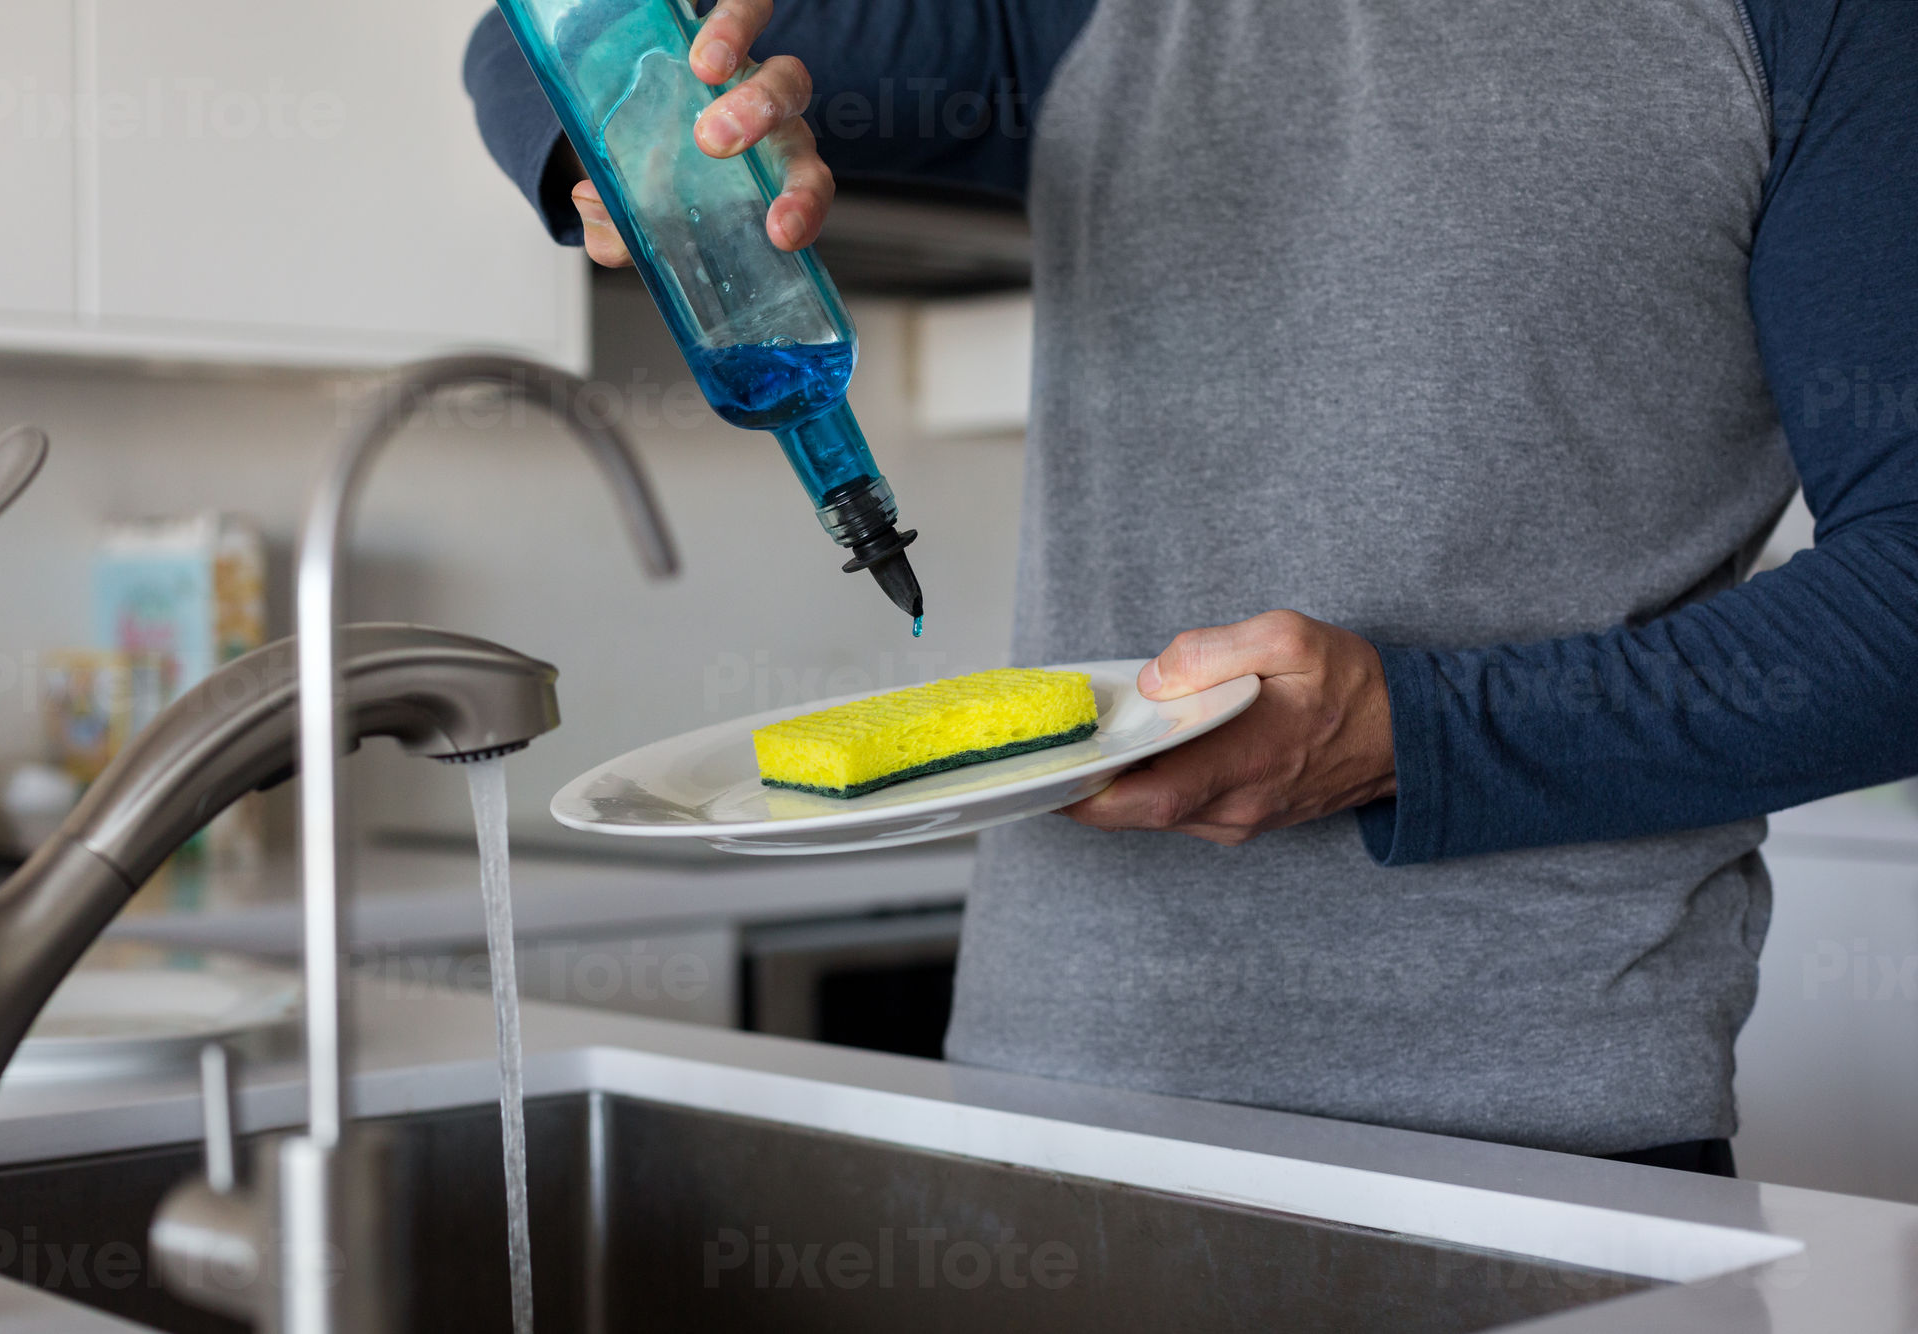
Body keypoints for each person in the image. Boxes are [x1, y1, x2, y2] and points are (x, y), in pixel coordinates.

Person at [463, 0, 1918, 1176]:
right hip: (1058, 1116)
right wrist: (639, 143)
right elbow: (552, 26)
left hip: (1555, 1152)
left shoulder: (1823, 27)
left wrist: (1412, 731)